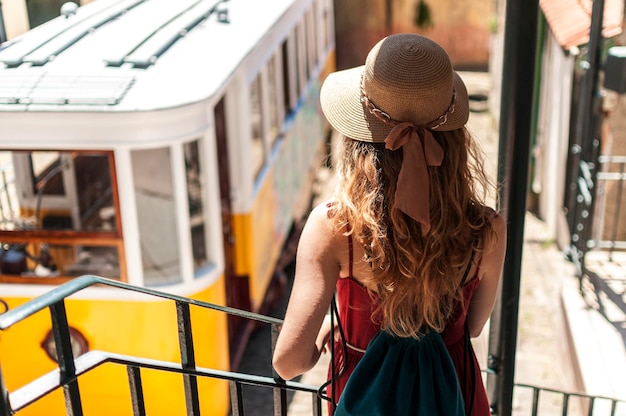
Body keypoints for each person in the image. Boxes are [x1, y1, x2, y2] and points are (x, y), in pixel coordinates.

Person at [272, 33, 507, 415]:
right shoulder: (488, 228)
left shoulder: (334, 227)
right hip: (453, 395)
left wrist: (332, 334)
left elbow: (289, 362)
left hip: (366, 395)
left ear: (358, 137)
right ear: (455, 143)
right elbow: (474, 326)